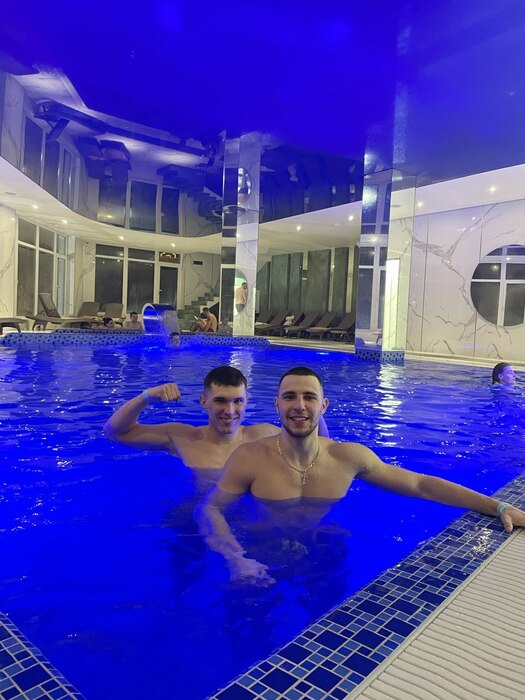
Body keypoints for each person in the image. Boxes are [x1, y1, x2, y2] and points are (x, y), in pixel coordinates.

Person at [198, 366, 525, 585]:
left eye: (309, 397)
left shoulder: (347, 458)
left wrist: (498, 507)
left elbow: (421, 485)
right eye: (290, 397)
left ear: (323, 406)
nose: (299, 405)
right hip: (260, 549)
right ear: (277, 404)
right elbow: (210, 508)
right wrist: (235, 558)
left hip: (322, 547)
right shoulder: (251, 457)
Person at [104, 365, 328, 468]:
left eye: (238, 401)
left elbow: (317, 447)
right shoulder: (182, 438)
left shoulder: (264, 435)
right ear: (204, 402)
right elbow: (114, 432)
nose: (230, 411)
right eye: (220, 401)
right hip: (193, 521)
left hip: (252, 521)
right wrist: (146, 397)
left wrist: (311, 406)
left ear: (247, 401)